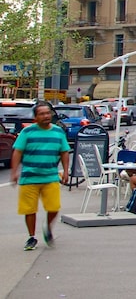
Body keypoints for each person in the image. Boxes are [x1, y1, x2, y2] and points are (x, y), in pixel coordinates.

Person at [11, 103, 71, 251]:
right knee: (29, 210)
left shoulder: (58, 132)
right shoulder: (27, 132)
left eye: (48, 113)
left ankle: (47, 226)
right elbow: (17, 152)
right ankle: (31, 237)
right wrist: (14, 172)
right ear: (35, 117)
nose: (46, 116)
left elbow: (64, 152)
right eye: (42, 114)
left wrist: (66, 171)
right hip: (29, 177)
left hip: (50, 176)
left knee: (54, 207)